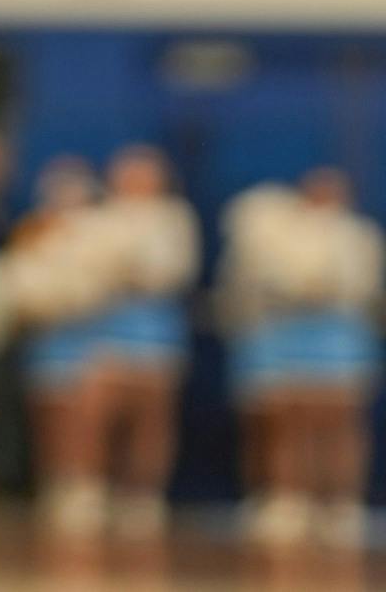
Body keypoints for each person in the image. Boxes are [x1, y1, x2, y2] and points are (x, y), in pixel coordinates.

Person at [221, 169, 382, 549]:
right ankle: (286, 498)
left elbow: (366, 286)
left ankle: (340, 503)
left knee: (338, 423)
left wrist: (327, 287)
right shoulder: (271, 233)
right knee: (285, 423)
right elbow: (250, 280)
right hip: (283, 336)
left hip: (337, 340)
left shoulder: (360, 236)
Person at [84, 143, 199, 540]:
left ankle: (143, 494)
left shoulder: (174, 218)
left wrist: (138, 272)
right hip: (105, 331)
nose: (136, 181)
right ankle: (94, 487)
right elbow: (83, 270)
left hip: (157, 334)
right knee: (100, 414)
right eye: (128, 173)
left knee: (151, 419)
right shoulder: (97, 218)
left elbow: (176, 270)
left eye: (145, 174)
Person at [4, 155, 114, 538]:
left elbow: (102, 285)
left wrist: (75, 299)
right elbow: (20, 278)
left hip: (88, 340)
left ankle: (85, 484)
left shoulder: (100, 232)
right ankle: (53, 482)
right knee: (49, 416)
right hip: (46, 339)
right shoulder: (32, 229)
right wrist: (39, 302)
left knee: (82, 418)